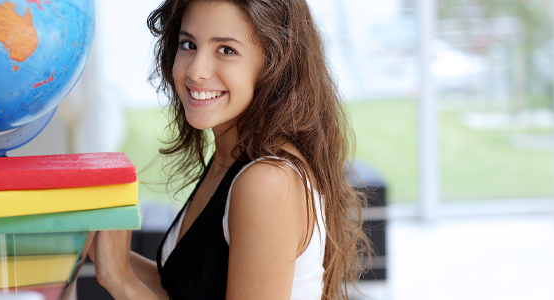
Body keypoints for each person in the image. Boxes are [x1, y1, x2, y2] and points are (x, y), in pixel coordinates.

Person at [87, 0, 370, 299]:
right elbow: (187, 288)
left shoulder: (268, 182)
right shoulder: (233, 158)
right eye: (189, 44)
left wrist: (120, 279)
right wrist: (106, 253)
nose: (196, 70)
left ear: (273, 65)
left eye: (226, 50)